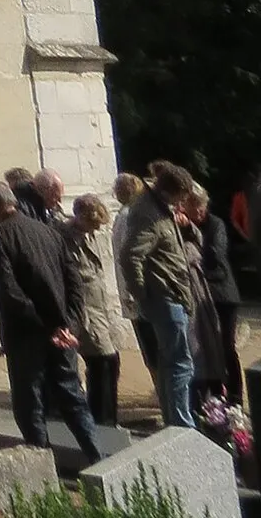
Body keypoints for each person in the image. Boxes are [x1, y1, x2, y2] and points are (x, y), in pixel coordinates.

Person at [0, 176, 102, 463]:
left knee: (29, 405)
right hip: (60, 331)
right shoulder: (49, 232)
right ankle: (100, 461)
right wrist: (68, 325)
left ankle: (44, 473)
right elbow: (74, 283)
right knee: (73, 398)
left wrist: (52, 327)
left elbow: (9, 291)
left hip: (27, 334)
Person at [117, 160, 197, 429]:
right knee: (180, 365)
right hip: (165, 298)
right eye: (183, 196)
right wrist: (141, 293)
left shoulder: (156, 208)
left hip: (168, 296)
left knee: (169, 363)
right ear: (174, 192)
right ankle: (183, 425)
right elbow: (130, 256)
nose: (184, 201)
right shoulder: (149, 213)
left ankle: (176, 421)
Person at [184, 187, 244, 416]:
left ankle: (236, 396)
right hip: (201, 296)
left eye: (200, 205)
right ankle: (214, 394)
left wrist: (198, 269)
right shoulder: (185, 226)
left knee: (227, 345)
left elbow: (216, 255)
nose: (197, 210)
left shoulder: (215, 224)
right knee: (206, 346)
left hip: (222, 294)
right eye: (192, 205)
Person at [67, 194, 125, 428]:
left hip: (102, 309)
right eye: (93, 223)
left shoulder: (90, 235)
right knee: (101, 363)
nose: (96, 229)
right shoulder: (67, 238)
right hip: (87, 312)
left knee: (112, 362)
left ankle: (109, 417)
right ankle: (101, 418)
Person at [177, 190, 228, 407]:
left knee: (216, 347)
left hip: (205, 293)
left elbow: (212, 252)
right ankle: (201, 406)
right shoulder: (168, 228)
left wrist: (189, 228)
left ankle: (218, 403)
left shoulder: (206, 225)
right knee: (195, 350)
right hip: (189, 295)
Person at [113, 172, 157, 379]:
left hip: (136, 292)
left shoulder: (127, 215)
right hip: (140, 293)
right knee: (153, 348)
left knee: (152, 348)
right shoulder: (129, 216)